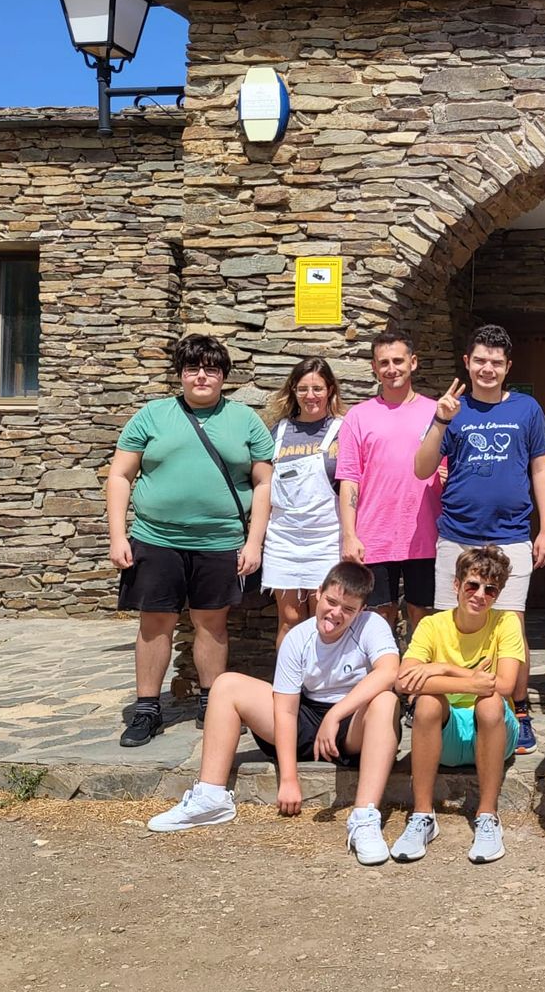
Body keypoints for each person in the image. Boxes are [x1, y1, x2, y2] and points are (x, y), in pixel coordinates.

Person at [145, 562, 403, 866]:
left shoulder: (372, 625)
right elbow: (285, 709)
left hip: (353, 726)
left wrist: (336, 715)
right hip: (305, 720)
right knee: (226, 685)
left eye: (348, 608)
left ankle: (364, 817)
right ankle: (211, 797)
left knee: (385, 701)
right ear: (318, 594)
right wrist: (289, 778)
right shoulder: (298, 637)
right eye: (331, 602)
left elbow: (388, 671)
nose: (335, 613)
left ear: (360, 611)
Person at [107, 334, 274, 747]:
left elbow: (265, 481)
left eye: (211, 369)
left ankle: (211, 702)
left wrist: (254, 542)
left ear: (223, 376)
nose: (202, 376)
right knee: (154, 622)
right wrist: (116, 535)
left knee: (211, 623)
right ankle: (147, 708)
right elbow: (120, 476)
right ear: (180, 374)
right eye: (193, 369)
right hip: (155, 538)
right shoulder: (153, 415)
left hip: (220, 542)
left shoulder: (244, 420)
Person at [414, 323, 545, 754]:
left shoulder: (527, 409)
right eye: (480, 361)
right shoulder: (452, 410)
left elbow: (541, 469)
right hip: (457, 535)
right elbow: (422, 468)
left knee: (511, 623)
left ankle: (517, 710)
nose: (487, 369)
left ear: (508, 366)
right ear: (467, 363)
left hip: (510, 535)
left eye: (496, 362)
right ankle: (448, 710)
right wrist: (441, 420)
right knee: (450, 626)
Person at [392, 546, 525, 864]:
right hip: (446, 731)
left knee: (491, 703)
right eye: (472, 585)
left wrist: (442, 668)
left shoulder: (506, 622)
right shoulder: (432, 625)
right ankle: (422, 815)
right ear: (457, 585)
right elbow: (404, 680)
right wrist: (469, 681)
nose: (480, 594)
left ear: (498, 594)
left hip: (493, 730)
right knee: (426, 703)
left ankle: (487, 815)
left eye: (490, 589)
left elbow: (504, 684)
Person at [336, 328, 442, 635]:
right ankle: (384, 679)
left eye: (398, 360)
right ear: (374, 367)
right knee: (378, 616)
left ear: (413, 363)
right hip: (375, 534)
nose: (391, 369)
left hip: (425, 533)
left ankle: (421, 680)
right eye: (384, 363)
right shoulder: (358, 417)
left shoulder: (436, 412)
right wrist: (349, 535)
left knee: (424, 615)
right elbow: (349, 479)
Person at [261, 357, 347, 648]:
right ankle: (288, 688)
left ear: (330, 390)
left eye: (318, 389)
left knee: (325, 617)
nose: (310, 396)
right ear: (293, 391)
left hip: (327, 539)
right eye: (303, 389)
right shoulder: (277, 432)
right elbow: (261, 484)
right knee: (289, 618)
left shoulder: (343, 430)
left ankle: (321, 688)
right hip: (283, 539)